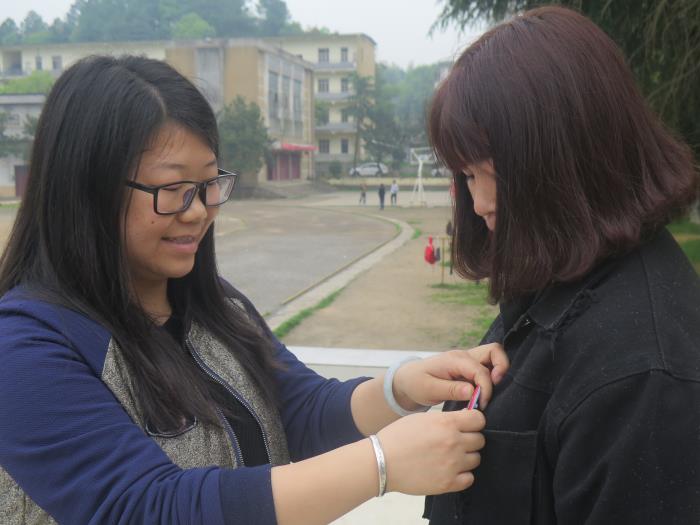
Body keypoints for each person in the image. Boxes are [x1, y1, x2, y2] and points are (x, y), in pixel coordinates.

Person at [0, 55, 508, 525]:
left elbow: (302, 413)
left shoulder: (216, 307)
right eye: (173, 190)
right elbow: (147, 508)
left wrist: (402, 389)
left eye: (208, 185)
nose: (198, 212)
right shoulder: (25, 349)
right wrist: (381, 464)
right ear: (89, 189)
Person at [424, 6, 700, 525]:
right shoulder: (567, 268)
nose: (480, 204)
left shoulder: (642, 376)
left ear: (567, 158)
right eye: (466, 176)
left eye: (492, 173)